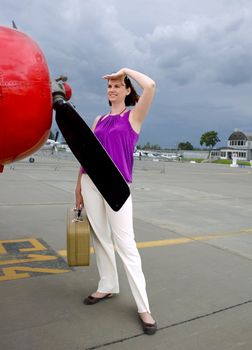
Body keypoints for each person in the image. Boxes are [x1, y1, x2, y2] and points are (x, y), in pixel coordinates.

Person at [75, 67, 156, 335]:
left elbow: (151, 85)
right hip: (91, 183)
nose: (112, 89)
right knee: (100, 237)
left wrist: (125, 71)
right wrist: (78, 187)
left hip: (117, 186)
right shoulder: (98, 120)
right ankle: (107, 285)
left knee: (126, 244)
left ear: (128, 90)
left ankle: (143, 307)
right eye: (109, 86)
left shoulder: (133, 117)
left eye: (117, 85)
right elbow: (86, 153)